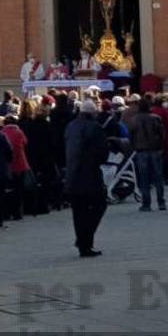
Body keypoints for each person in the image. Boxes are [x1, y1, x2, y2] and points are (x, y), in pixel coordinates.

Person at [64, 98, 111, 257]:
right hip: (90, 175)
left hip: (72, 175)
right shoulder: (95, 127)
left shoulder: (71, 126)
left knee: (78, 212)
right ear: (93, 113)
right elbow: (102, 152)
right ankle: (85, 240)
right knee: (99, 205)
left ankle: (83, 243)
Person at [129, 96, 167, 211]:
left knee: (144, 178)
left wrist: (134, 146)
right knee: (158, 177)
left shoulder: (134, 119)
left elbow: (131, 135)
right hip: (155, 150)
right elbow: (162, 134)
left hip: (141, 151)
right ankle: (161, 202)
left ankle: (146, 203)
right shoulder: (156, 118)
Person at [3, 113, 31, 220]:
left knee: (9, 189)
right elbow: (25, 142)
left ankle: (8, 212)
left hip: (8, 165)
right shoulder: (19, 132)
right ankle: (18, 212)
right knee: (19, 189)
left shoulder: (2, 132)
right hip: (20, 163)